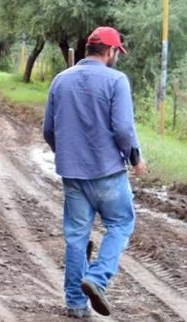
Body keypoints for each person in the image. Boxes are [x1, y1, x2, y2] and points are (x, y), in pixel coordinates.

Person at [43, 26, 147, 319]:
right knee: (121, 223)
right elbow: (123, 129)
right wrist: (135, 158)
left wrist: (68, 155)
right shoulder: (116, 80)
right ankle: (98, 278)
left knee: (77, 237)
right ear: (111, 51)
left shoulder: (60, 80)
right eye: (117, 52)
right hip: (107, 172)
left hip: (73, 175)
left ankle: (76, 304)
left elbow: (48, 130)